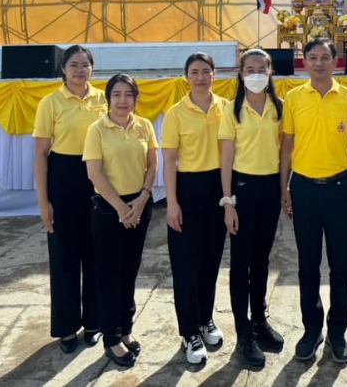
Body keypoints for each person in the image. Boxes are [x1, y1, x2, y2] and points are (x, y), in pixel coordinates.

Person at [280, 37, 347, 364]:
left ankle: (338, 331)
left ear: (335, 61)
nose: (318, 63)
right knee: (307, 265)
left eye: (325, 57)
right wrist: (284, 189)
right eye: (312, 57)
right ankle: (311, 327)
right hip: (303, 189)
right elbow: (287, 146)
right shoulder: (292, 98)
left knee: (341, 265)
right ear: (304, 61)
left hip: (340, 190)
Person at [33, 44, 106, 353]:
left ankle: (94, 321)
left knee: (95, 254)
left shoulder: (104, 98)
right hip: (63, 181)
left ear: (92, 68)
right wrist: (43, 201)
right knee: (64, 257)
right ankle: (65, 327)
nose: (79, 70)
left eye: (84, 64)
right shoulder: (50, 103)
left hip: (98, 178)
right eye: (73, 64)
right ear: (62, 69)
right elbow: (40, 153)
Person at [83, 73, 158, 368]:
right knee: (108, 275)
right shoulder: (97, 129)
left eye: (128, 95)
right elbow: (95, 174)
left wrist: (141, 199)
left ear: (136, 99)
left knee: (130, 271)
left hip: (139, 205)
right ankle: (111, 337)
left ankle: (126, 328)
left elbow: (152, 164)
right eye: (117, 95)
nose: (123, 100)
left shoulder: (145, 126)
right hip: (108, 209)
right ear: (108, 98)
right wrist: (120, 208)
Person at [219, 48, 285, 369]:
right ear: (241, 73)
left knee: (261, 260)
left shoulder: (279, 109)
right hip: (242, 191)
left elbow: (284, 153)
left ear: (270, 72)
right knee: (240, 262)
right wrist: (228, 202)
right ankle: (242, 331)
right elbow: (226, 161)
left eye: (262, 68)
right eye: (250, 68)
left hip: (270, 189)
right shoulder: (232, 111)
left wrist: (284, 190)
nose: (256, 73)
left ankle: (259, 321)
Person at [162, 52, 228, 365]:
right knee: (186, 266)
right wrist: (172, 202)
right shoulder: (176, 112)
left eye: (205, 71)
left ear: (214, 74)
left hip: (217, 191)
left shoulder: (225, 108)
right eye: (194, 72)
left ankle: (206, 319)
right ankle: (189, 331)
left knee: (211, 262)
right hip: (187, 192)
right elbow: (170, 161)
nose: (200, 77)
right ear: (186, 77)